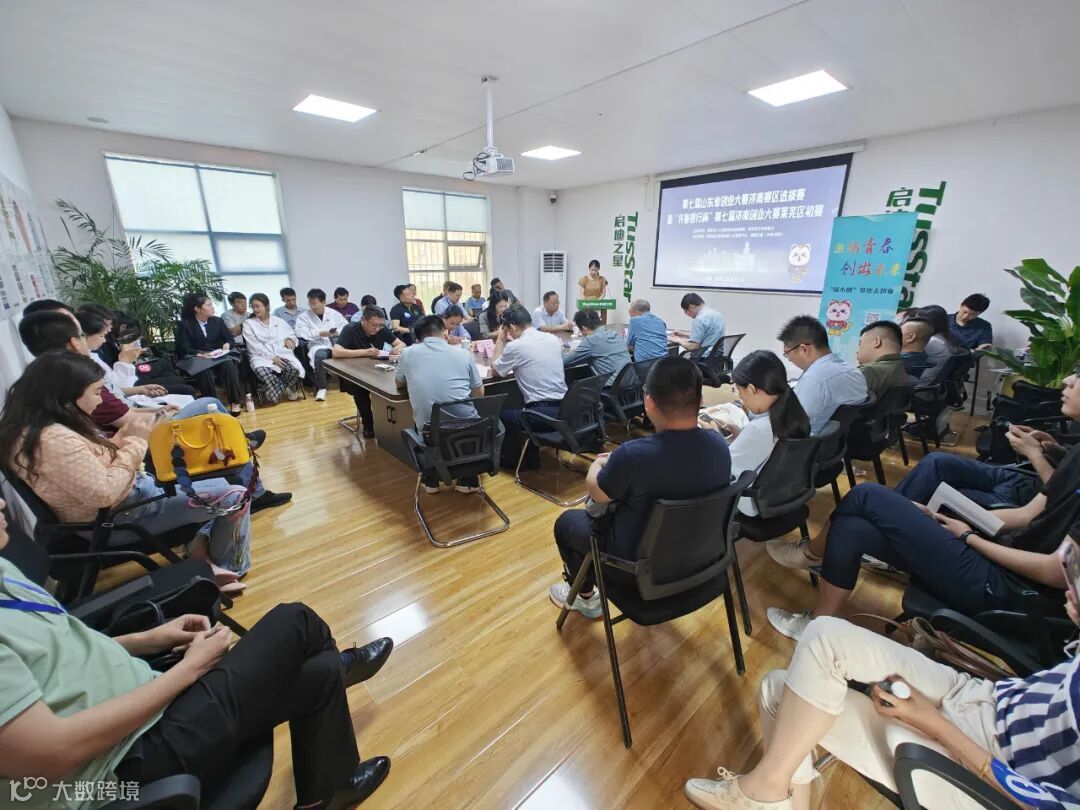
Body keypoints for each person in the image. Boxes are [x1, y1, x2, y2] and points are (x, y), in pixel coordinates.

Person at [0, 499, 396, 810]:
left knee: (320, 673)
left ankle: (327, 794)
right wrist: (188, 670)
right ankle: (343, 667)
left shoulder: (4, 571)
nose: (2, 503)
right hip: (121, 767)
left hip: (141, 704)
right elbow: (52, 754)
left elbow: (63, 649)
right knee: (297, 622)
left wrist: (147, 639)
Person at [763, 367, 1080, 642]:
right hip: (999, 554)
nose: (1067, 380)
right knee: (851, 528)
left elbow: (1056, 571)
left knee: (865, 494)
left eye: (1078, 378)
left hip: (1008, 589)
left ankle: (810, 554)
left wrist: (968, 536)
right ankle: (817, 625)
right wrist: (1054, 454)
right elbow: (1031, 514)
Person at [684, 601, 1080, 810]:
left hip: (990, 771)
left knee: (778, 691)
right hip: (987, 698)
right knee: (823, 638)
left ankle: (765, 793)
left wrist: (935, 724)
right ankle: (768, 793)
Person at [0, 351, 254, 579]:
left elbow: (90, 464)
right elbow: (104, 493)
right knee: (236, 495)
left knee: (219, 481)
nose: (100, 401)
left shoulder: (40, 427)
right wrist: (135, 441)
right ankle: (230, 568)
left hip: (128, 501)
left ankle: (200, 551)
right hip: (123, 516)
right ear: (67, 394)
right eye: (96, 392)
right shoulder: (52, 440)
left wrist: (121, 440)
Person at [548, 357, 733, 618]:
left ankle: (585, 597)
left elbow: (598, 494)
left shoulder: (632, 455)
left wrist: (595, 468)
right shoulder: (719, 446)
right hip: (700, 558)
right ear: (700, 399)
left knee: (567, 523)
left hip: (636, 570)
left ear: (649, 402)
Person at [700, 351, 810, 518]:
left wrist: (716, 437)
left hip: (749, 502)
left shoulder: (759, 429)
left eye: (739, 391)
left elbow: (724, 469)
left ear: (751, 389)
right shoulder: (794, 414)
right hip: (779, 493)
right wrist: (740, 435)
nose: (740, 398)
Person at [395, 314, 489, 494]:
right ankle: (468, 478)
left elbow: (399, 383)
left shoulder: (407, 353)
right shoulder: (463, 353)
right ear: (444, 332)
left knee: (424, 419)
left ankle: (431, 478)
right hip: (470, 434)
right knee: (466, 414)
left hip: (432, 436)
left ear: (418, 338)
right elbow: (479, 393)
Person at [491, 304, 568, 470]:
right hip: (565, 409)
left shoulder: (516, 346)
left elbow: (495, 371)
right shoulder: (552, 339)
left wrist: (500, 340)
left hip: (540, 414)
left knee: (498, 414)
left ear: (512, 327)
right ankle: (531, 456)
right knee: (522, 405)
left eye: (507, 330)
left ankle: (513, 461)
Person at [78, 310, 194, 410]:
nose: (109, 329)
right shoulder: (89, 359)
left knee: (168, 370)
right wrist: (125, 361)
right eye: (102, 335)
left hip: (132, 382)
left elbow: (115, 388)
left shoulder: (97, 350)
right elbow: (116, 387)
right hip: (132, 382)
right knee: (177, 380)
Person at [778, 315, 868, 434]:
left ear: (803, 349)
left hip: (806, 442)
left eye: (787, 353)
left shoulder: (814, 380)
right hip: (841, 442)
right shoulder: (854, 372)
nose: (789, 359)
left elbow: (792, 424)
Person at [332, 306, 405, 439]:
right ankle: (368, 425)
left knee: (393, 385)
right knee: (361, 390)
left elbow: (401, 344)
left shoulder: (381, 328)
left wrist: (397, 349)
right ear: (363, 320)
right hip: (354, 373)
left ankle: (390, 424)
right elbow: (336, 352)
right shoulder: (351, 329)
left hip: (378, 370)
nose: (377, 329)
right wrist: (364, 352)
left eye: (379, 325)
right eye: (373, 325)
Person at [174, 293, 245, 414]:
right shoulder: (185, 324)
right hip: (197, 357)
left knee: (229, 366)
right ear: (197, 309)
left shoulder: (217, 321)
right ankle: (212, 405)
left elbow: (229, 338)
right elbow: (183, 347)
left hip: (216, 356)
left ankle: (235, 402)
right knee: (204, 371)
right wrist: (199, 354)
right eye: (209, 305)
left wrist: (227, 344)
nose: (213, 307)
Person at [243, 293, 303, 405]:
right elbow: (254, 346)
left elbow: (291, 333)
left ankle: (272, 392)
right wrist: (272, 358)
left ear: (266, 306)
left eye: (258, 306)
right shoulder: (249, 324)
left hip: (281, 353)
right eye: (253, 307)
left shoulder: (278, 321)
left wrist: (290, 339)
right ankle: (285, 389)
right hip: (260, 356)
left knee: (293, 370)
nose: (255, 309)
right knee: (264, 374)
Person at [295, 288, 348, 402]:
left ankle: (347, 384)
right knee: (320, 356)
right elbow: (300, 333)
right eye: (310, 303)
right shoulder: (304, 317)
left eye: (315, 303)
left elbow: (345, 327)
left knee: (348, 352)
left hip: (335, 344)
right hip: (317, 345)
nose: (312, 306)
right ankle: (322, 388)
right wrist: (319, 333)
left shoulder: (334, 314)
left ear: (323, 301)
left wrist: (336, 332)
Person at [563, 309, 631, 386]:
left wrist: (571, 351)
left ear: (584, 328)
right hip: (632, 385)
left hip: (611, 388)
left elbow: (565, 361)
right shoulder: (615, 334)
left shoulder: (590, 340)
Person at [855, 320, 911, 398]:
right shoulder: (905, 369)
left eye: (860, 344)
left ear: (877, 342)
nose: (857, 351)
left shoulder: (867, 372)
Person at [917, 304, 969, 384]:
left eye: (918, 319)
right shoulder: (947, 336)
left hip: (921, 383)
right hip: (935, 380)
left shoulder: (933, 342)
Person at [578, 260, 609, 324]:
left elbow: (603, 293)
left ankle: (602, 327)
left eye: (596, 270)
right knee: (586, 317)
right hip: (586, 302)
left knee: (604, 309)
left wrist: (597, 302)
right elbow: (581, 293)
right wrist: (586, 303)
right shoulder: (584, 279)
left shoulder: (602, 279)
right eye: (592, 270)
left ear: (598, 269)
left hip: (598, 301)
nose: (593, 272)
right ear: (589, 269)